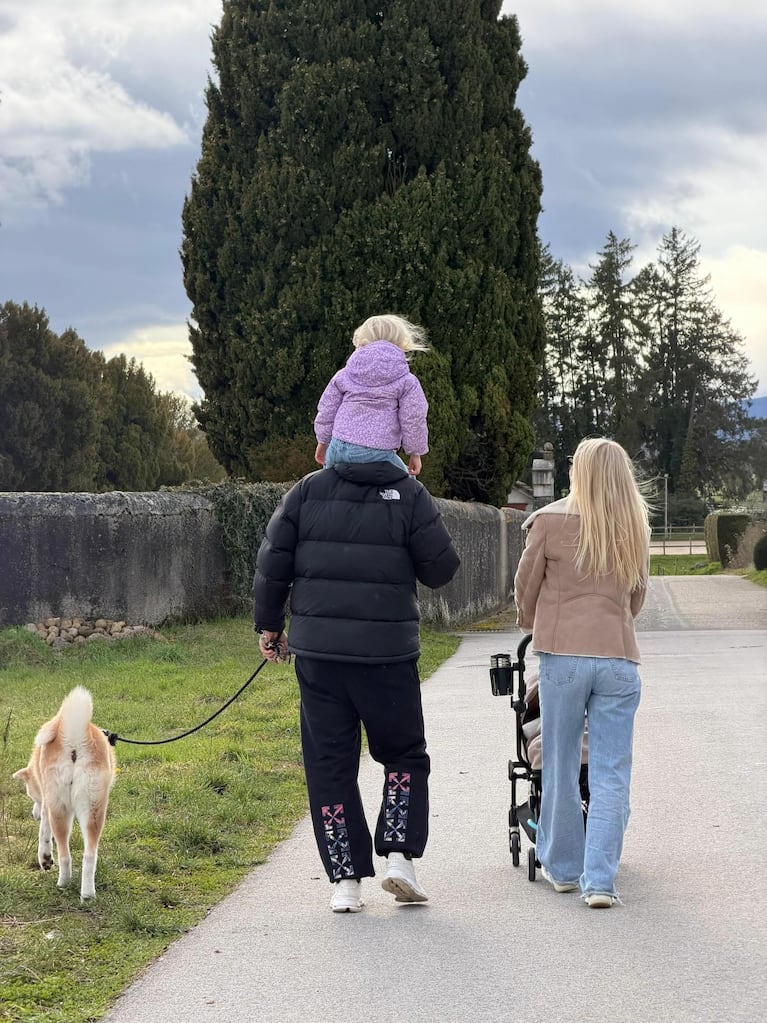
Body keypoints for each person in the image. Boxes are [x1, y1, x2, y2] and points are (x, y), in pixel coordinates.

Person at [252, 457, 460, 913]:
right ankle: (399, 857)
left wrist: (269, 626)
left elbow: (272, 563)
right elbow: (441, 568)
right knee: (403, 753)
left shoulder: (306, 491)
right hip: (388, 654)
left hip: (321, 657)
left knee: (330, 766)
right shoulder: (408, 493)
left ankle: (345, 880)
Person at [513, 438, 650, 908]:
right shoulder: (633, 525)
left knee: (561, 763)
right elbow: (636, 599)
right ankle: (600, 882)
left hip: (563, 658)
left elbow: (525, 588)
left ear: (578, 472)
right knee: (612, 773)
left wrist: (534, 623)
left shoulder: (548, 521)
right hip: (617, 657)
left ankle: (565, 869)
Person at [313, 313, 429, 477]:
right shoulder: (406, 381)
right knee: (409, 488)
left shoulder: (345, 374)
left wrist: (323, 442)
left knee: (332, 486)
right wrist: (415, 452)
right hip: (378, 453)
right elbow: (413, 418)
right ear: (401, 343)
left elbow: (327, 409)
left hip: (338, 447)